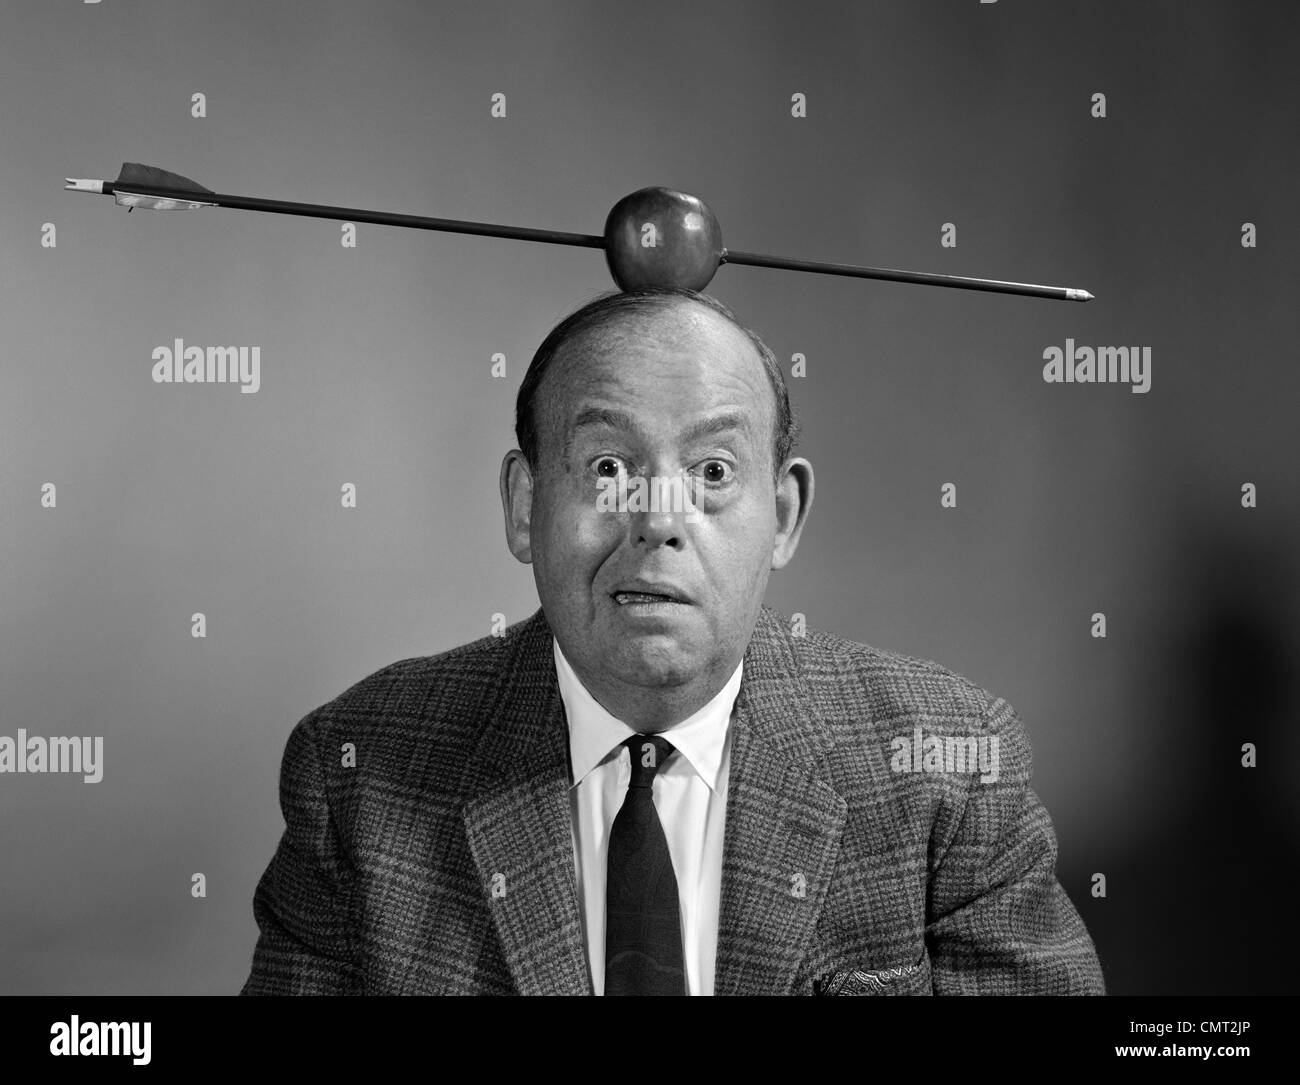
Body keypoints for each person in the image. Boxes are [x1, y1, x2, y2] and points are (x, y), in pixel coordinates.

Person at [240, 286, 1105, 995]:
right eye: (607, 467)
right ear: (523, 504)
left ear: (784, 514)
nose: (657, 519)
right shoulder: (356, 774)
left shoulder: (946, 769)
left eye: (714, 473)